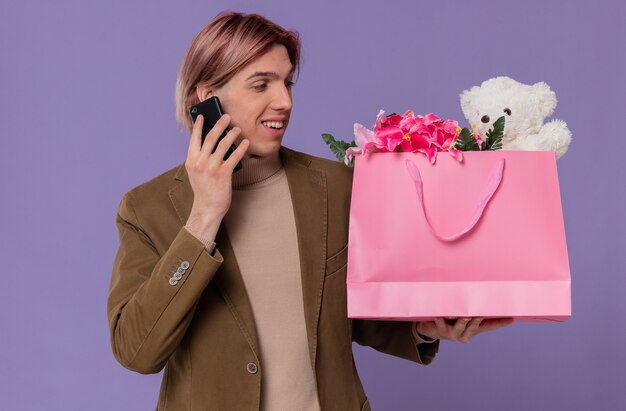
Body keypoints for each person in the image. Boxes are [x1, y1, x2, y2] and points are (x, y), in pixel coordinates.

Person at [107, 11, 512, 410]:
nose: (283, 102)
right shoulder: (148, 209)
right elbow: (137, 350)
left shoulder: (336, 185)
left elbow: (353, 312)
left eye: (286, 83)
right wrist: (203, 218)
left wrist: (423, 329)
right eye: (260, 85)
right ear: (206, 95)